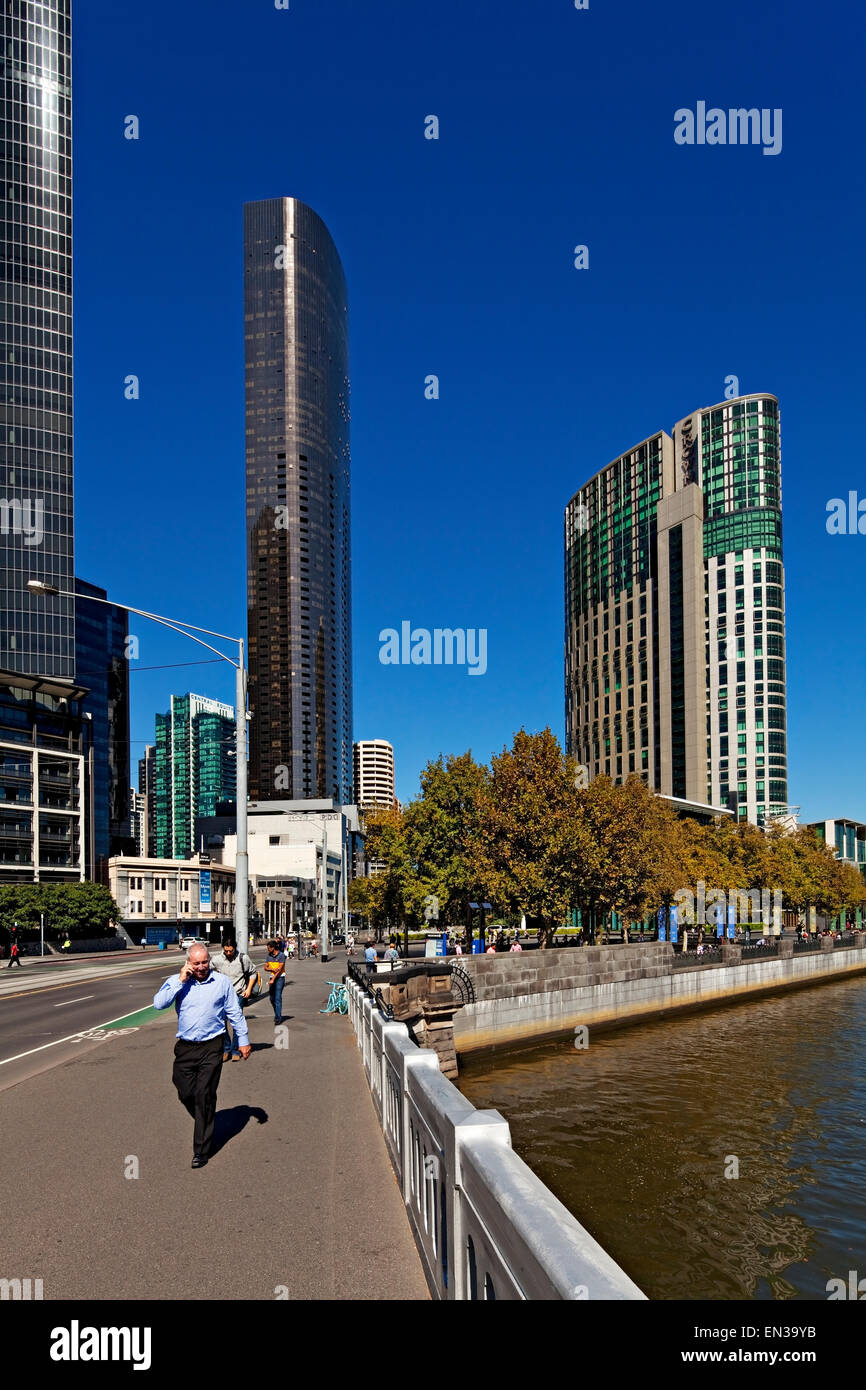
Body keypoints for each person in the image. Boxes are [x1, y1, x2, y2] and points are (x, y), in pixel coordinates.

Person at [153, 944, 250, 1168]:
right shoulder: (178, 981)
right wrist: (180, 980)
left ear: (209, 961)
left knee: (204, 1093)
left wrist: (243, 1040)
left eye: (204, 962)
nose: (201, 967)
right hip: (186, 1047)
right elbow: (159, 1004)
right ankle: (206, 1117)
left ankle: (201, 1150)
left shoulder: (221, 982)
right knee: (185, 1091)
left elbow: (234, 1012)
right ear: (188, 962)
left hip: (212, 1045)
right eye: (196, 963)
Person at [210, 939, 257, 1060]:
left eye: (231, 950)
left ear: (235, 948)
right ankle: (226, 1048)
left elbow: (253, 973)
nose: (228, 953)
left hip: (238, 994)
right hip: (222, 995)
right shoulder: (217, 959)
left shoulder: (243, 958)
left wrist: (249, 989)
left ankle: (235, 1050)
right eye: (226, 951)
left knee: (236, 1022)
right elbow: (206, 969)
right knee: (222, 1023)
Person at [263, 940, 287, 1024]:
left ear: (273, 948)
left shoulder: (281, 956)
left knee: (277, 997)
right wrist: (272, 969)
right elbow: (265, 967)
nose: (268, 950)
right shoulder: (268, 956)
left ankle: (278, 1018)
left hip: (280, 978)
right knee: (271, 998)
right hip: (272, 978)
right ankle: (277, 1013)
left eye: (269, 948)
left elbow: (280, 970)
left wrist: (273, 979)